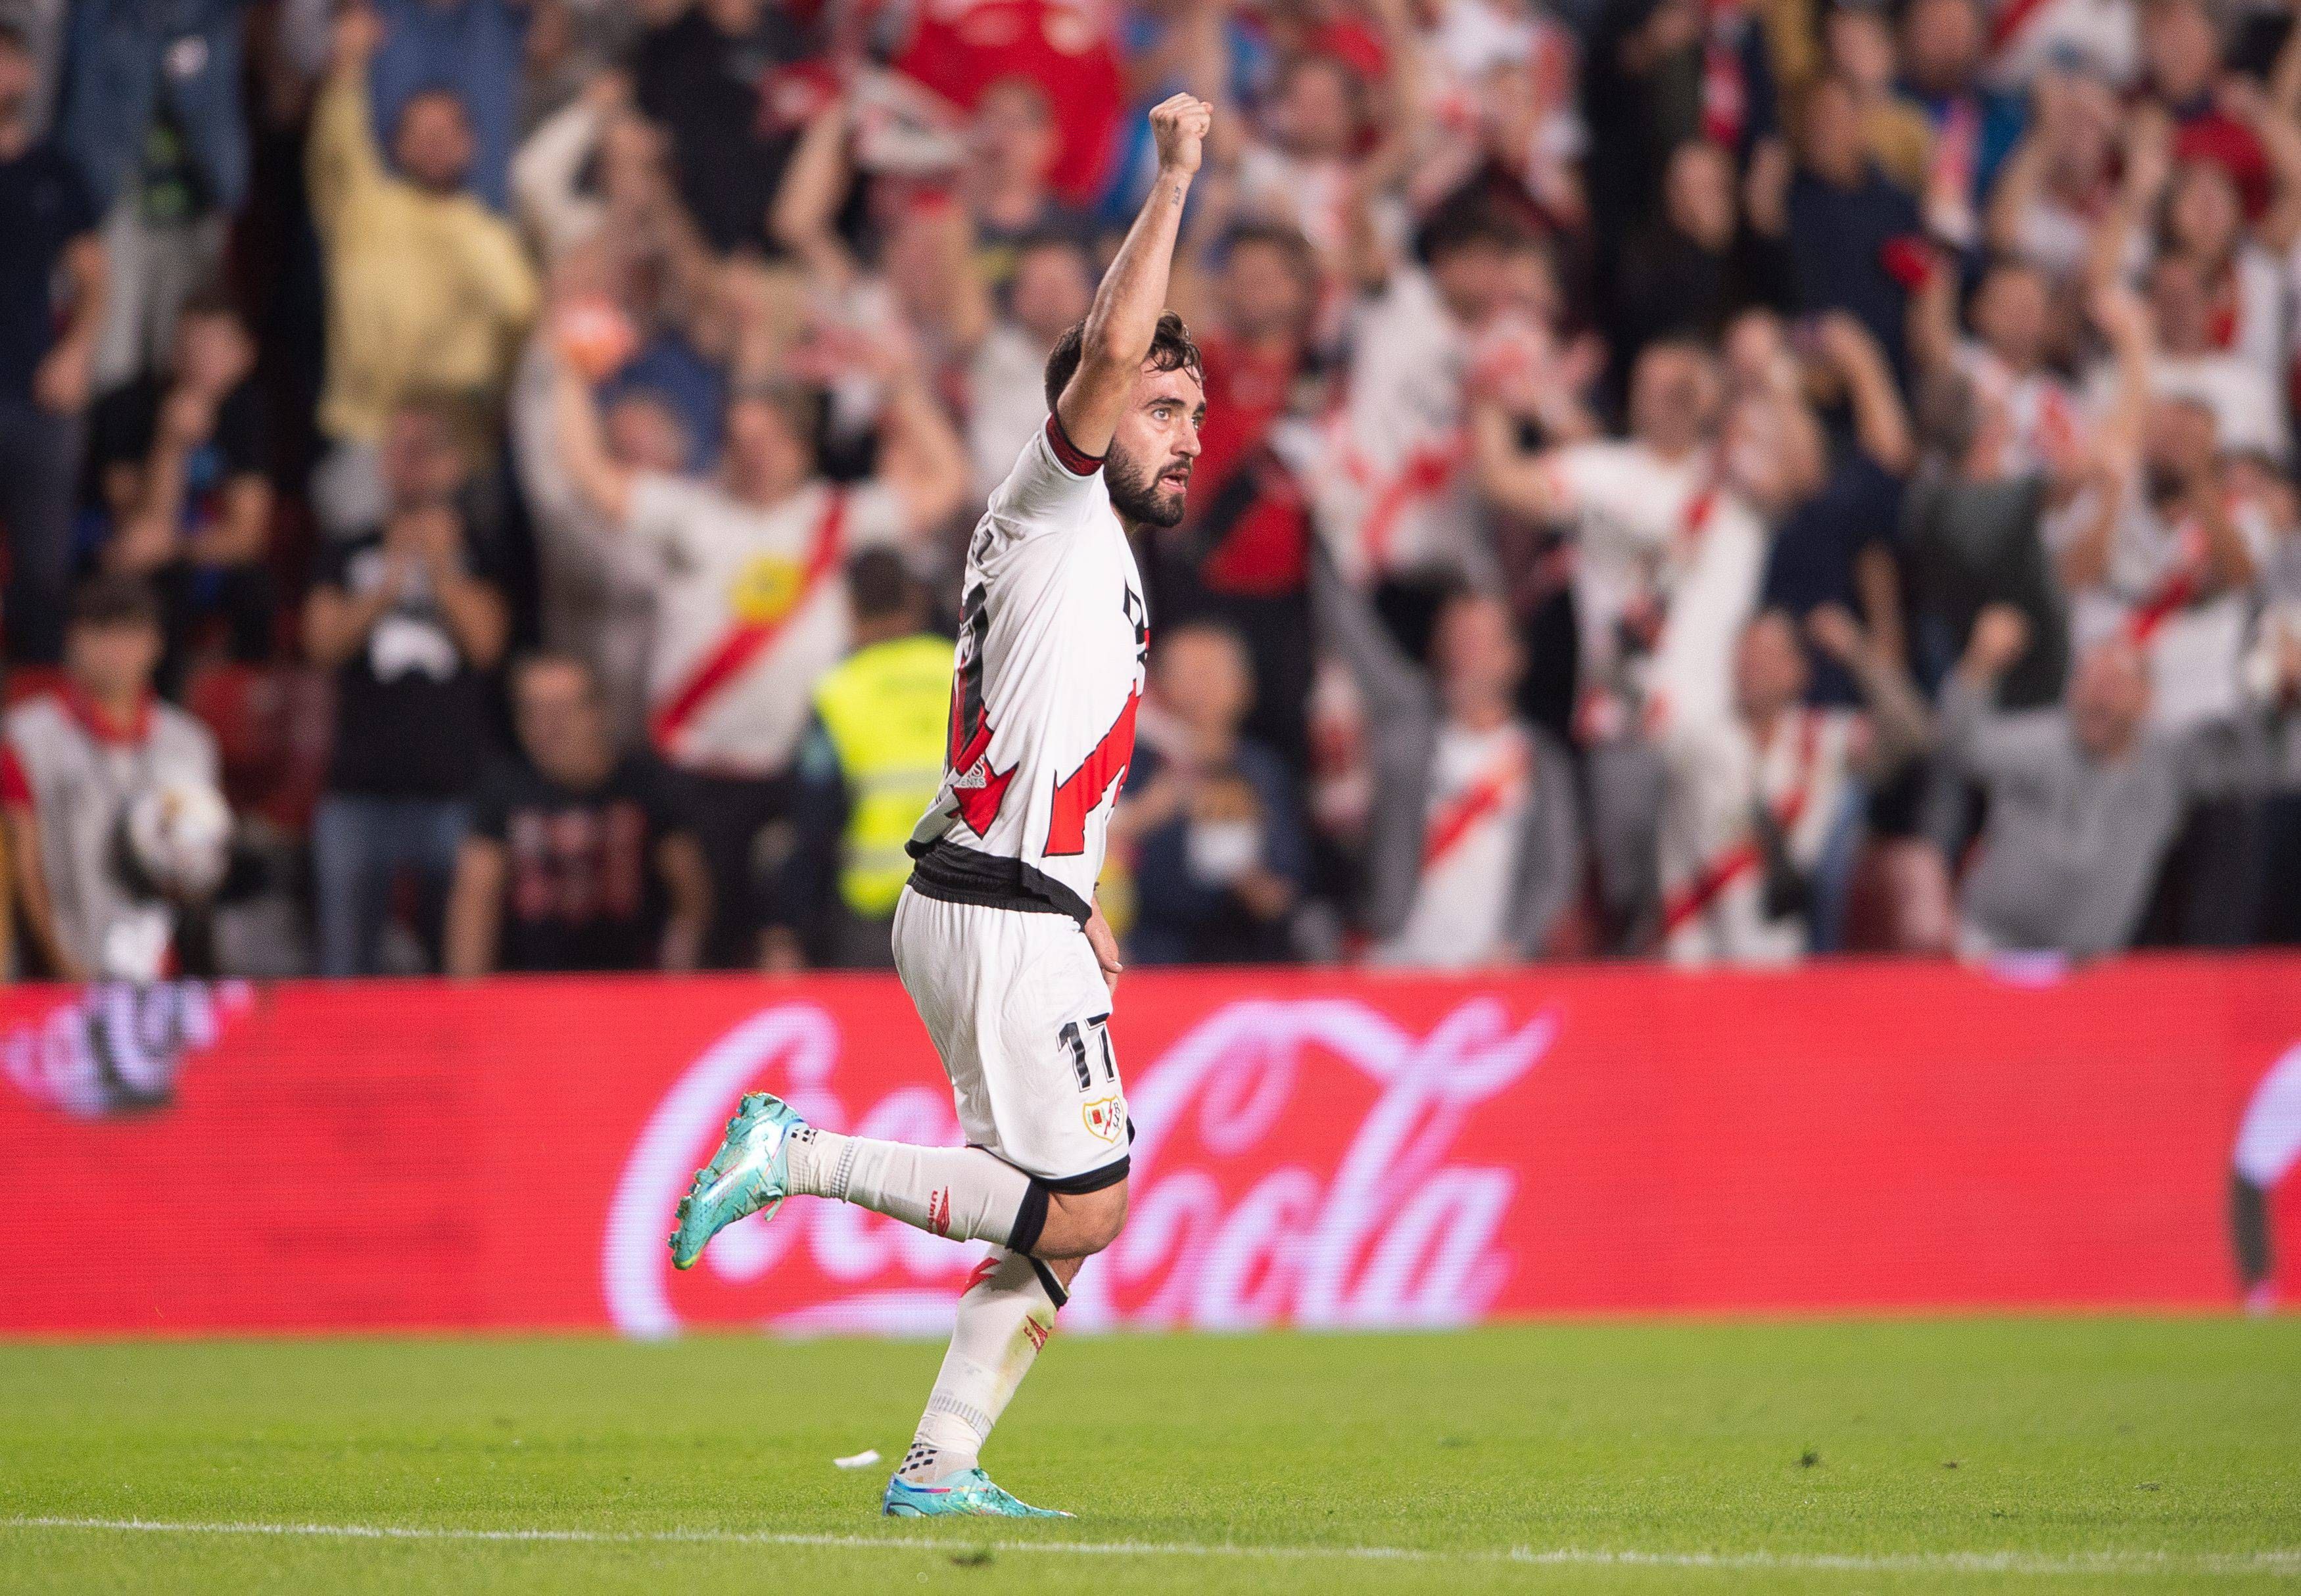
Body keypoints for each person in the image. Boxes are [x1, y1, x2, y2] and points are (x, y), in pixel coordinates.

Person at [669, 93, 1216, 1520]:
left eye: (1196, 411)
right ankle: (792, 1152)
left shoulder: (1081, 549)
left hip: (1009, 895)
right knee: (1084, 1200)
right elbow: (1105, 345)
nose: (1186, 431)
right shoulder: (1053, 497)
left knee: (1053, 1220)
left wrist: (1085, 891)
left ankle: (939, 1463)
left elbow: (1040, 739)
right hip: (993, 912)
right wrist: (1172, 178)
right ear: (1092, 409)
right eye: (1165, 406)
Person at [547, 321, 966, 968]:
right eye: (740, 440)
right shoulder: (690, 512)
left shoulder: (834, 518)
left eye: (768, 439)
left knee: (782, 946)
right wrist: (572, 378)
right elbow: (589, 479)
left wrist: (900, 390)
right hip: (690, 774)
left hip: (793, 776)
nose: (754, 454)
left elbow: (946, 483)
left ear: (800, 447)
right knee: (692, 936)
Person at [302, 402, 511, 975]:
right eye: (397, 450)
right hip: (358, 788)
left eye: (423, 451)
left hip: (455, 789)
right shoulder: (348, 548)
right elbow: (322, 645)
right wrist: (388, 578)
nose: (409, 465)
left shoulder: (482, 549)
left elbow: (488, 644)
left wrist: (442, 571)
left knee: (459, 969)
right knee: (345, 967)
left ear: (451, 465)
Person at [1321, 569, 1582, 968]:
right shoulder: (1405, 733)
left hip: (1486, 973)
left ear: (1513, 658)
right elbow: (1354, 636)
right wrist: (1315, 543)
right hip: (1390, 963)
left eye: (1476, 641)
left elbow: (1556, 868)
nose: (1462, 654)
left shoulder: (1541, 761)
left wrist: (1515, 946)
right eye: (1453, 638)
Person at [0, 578, 223, 981]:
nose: (116, 652)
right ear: (73, 641)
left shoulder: (190, 744)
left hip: (162, 969)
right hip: (56, 971)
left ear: (155, 644)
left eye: (130, 636)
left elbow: (202, 865)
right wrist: (63, 966)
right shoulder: (26, 738)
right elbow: (23, 870)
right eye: (101, 634)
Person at [444, 653, 710, 977]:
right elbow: (476, 897)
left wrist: (676, 985)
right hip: (530, 990)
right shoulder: (503, 789)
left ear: (598, 713)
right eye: (533, 711)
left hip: (629, 989)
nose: (548, 726)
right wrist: (469, 1005)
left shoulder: (645, 786)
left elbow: (690, 894)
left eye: (561, 709)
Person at [85, 293, 274, 688]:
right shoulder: (127, 404)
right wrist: (171, 442)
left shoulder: (247, 415)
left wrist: (177, 545)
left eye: (214, 348)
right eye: (189, 345)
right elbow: (138, 524)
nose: (198, 361)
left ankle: (237, 706)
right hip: (112, 546)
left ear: (244, 356)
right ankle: (154, 704)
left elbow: (247, 536)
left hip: (184, 547)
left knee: (255, 588)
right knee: (165, 578)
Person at [786, 552, 957, 970]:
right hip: (968, 899)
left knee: (880, 1033)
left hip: (878, 912)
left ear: (851, 606)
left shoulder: (839, 691)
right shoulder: (961, 670)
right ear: (912, 600)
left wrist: (800, 916)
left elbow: (817, 813)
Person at [0, 18, 106, 665]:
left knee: (44, 568)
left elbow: (95, 276)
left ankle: (43, 707)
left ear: (29, 75)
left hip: (37, 395)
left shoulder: (54, 170)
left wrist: (77, 350)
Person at [1113, 621, 1308, 964]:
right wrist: (1147, 812)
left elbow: (1279, 899)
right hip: (1144, 956)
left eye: (1212, 675)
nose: (1200, 691)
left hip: (1241, 958)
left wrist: (1231, 836)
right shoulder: (1127, 764)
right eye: (1188, 675)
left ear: (1244, 687)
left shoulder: (1260, 773)